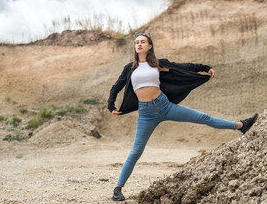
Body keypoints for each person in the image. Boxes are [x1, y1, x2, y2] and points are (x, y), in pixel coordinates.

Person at [108, 32, 258, 201]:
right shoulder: (130, 68)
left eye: (143, 42)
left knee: (203, 118)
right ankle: (118, 189)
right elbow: (117, 86)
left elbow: (183, 66)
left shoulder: (158, 64)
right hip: (146, 114)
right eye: (136, 42)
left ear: (150, 46)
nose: (139, 44)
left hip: (165, 105)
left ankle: (241, 125)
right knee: (136, 151)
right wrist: (111, 104)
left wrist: (204, 67)